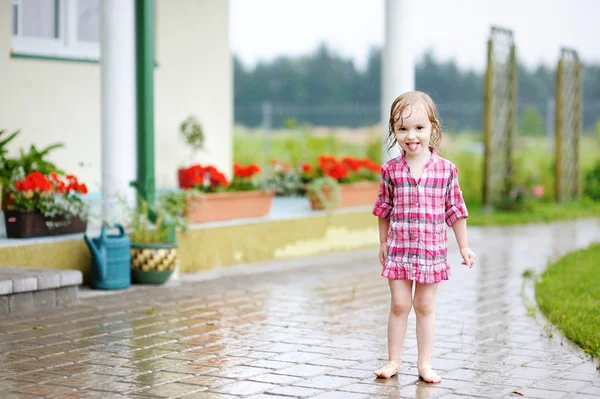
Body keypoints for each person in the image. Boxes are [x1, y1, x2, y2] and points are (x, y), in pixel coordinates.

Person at [372, 91, 476, 383]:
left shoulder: (446, 171)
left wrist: (464, 247)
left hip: (431, 252)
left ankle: (424, 364)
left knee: (424, 305)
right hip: (399, 250)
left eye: (419, 128)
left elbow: (455, 210)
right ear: (393, 130)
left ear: (433, 128)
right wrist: (382, 242)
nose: (411, 135)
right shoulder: (391, 170)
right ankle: (393, 360)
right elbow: (383, 209)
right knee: (400, 304)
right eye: (402, 128)